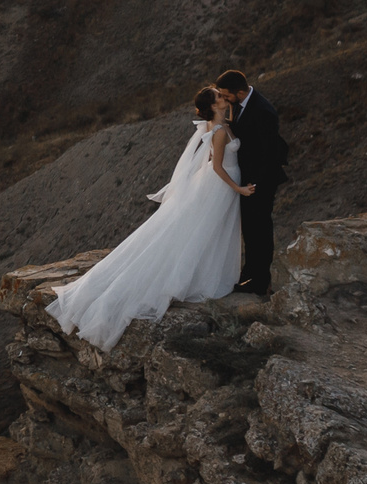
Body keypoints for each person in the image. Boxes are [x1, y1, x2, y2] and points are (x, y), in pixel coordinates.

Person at [45, 86, 254, 351]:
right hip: (221, 186)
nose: (225, 99)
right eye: (220, 97)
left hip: (216, 186)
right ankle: (193, 278)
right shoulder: (220, 131)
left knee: (210, 232)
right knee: (204, 231)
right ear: (213, 106)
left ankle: (201, 272)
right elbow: (216, 166)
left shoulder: (219, 125)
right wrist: (238, 188)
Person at [218, 70, 288, 295]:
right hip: (248, 181)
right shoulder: (239, 105)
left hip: (261, 181)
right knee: (249, 228)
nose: (224, 99)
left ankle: (260, 282)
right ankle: (249, 274)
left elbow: (269, 154)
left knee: (261, 230)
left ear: (240, 92)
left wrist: (255, 185)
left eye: (226, 95)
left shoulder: (263, 111)